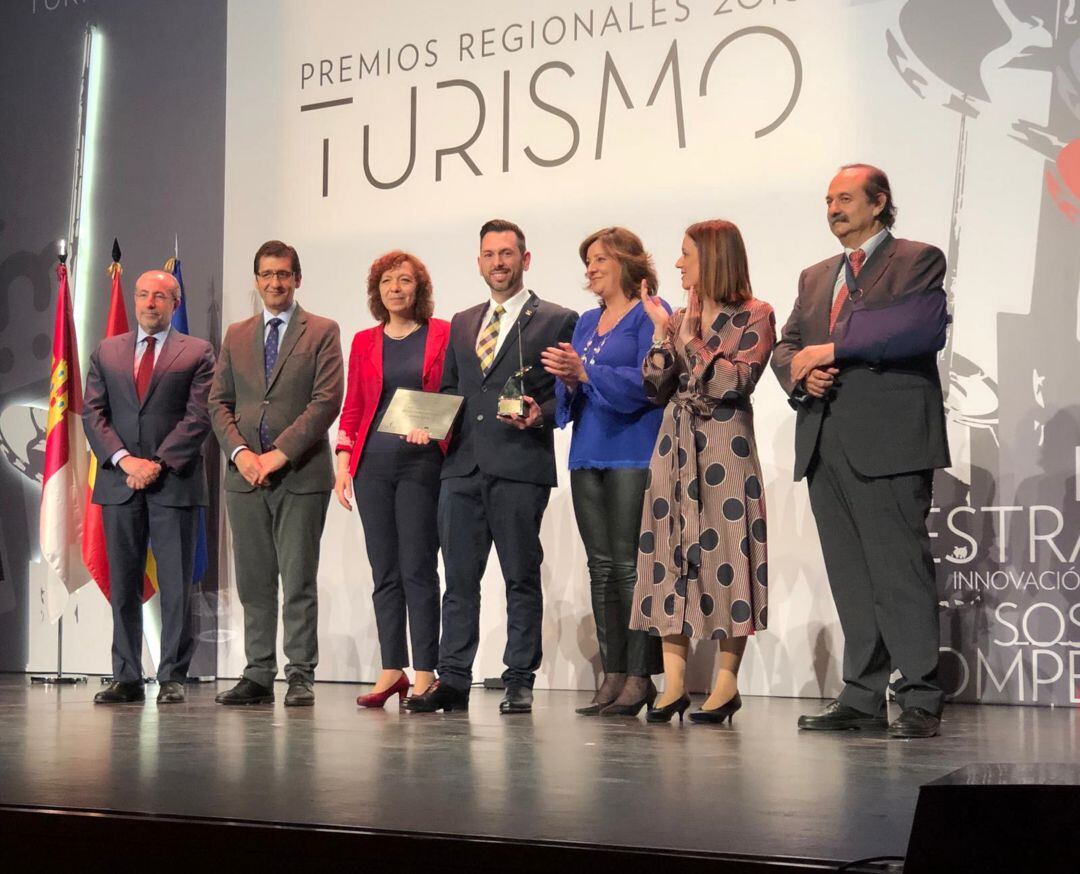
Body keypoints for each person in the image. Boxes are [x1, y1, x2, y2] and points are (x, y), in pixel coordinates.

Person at [771, 164, 950, 739]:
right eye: (827, 200)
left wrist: (830, 349)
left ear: (879, 203)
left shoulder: (917, 259)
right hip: (826, 440)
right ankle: (863, 694)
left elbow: (917, 329)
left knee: (899, 571)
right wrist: (801, 375)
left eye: (845, 198)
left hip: (892, 441)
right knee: (851, 576)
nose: (833, 208)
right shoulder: (815, 275)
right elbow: (786, 346)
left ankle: (920, 695)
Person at [406, 219, 578, 715]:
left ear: (526, 260)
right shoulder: (462, 321)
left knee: (520, 576)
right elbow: (450, 391)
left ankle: (519, 678)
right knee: (458, 579)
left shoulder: (557, 319)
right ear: (478, 262)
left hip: (520, 465)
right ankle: (454, 677)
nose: (498, 262)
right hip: (461, 469)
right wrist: (426, 424)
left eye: (507, 254)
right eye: (489, 254)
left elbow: (568, 394)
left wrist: (539, 415)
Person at [630, 220, 775, 725]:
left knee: (727, 550)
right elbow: (654, 384)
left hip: (725, 444)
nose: (677, 264)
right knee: (669, 552)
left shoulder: (756, 314)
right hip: (673, 444)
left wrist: (692, 339)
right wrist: (660, 331)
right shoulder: (677, 318)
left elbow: (735, 381)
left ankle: (725, 684)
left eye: (685, 254)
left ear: (712, 258)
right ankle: (672, 685)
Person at [209, 240, 344, 707]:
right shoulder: (237, 333)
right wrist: (242, 453)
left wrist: (278, 454)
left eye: (283, 274)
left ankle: (301, 674)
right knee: (254, 581)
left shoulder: (322, 331)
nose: (274, 282)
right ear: (256, 280)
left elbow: (326, 402)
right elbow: (218, 402)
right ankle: (258, 674)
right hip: (243, 477)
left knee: (298, 579)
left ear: (297, 279)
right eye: (266, 274)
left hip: (300, 475)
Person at [541, 227, 667, 716]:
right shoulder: (586, 322)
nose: (590, 268)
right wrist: (566, 381)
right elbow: (569, 397)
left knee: (632, 568)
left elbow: (650, 382)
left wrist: (587, 373)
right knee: (601, 569)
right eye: (587, 261)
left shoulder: (650, 314)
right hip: (587, 453)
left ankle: (640, 675)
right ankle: (613, 672)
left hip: (634, 452)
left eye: (599, 259)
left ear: (626, 262)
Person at [82, 270, 215, 704]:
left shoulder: (197, 352)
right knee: (124, 583)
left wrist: (156, 463)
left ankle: (173, 675)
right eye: (142, 295)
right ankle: (126, 675)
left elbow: (199, 417)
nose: (149, 303)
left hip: (173, 481)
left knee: (177, 585)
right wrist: (125, 461)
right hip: (119, 481)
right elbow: (92, 414)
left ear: (175, 302)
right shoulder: (107, 350)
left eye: (159, 296)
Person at [334, 251, 450, 708]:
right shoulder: (364, 340)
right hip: (371, 467)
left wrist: (435, 426)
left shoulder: (440, 334)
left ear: (419, 288)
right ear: (376, 291)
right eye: (386, 281)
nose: (395, 288)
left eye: (404, 280)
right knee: (384, 570)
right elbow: (354, 408)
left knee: (418, 567)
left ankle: (425, 671)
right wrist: (343, 463)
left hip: (422, 463)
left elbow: (450, 393)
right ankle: (391, 668)